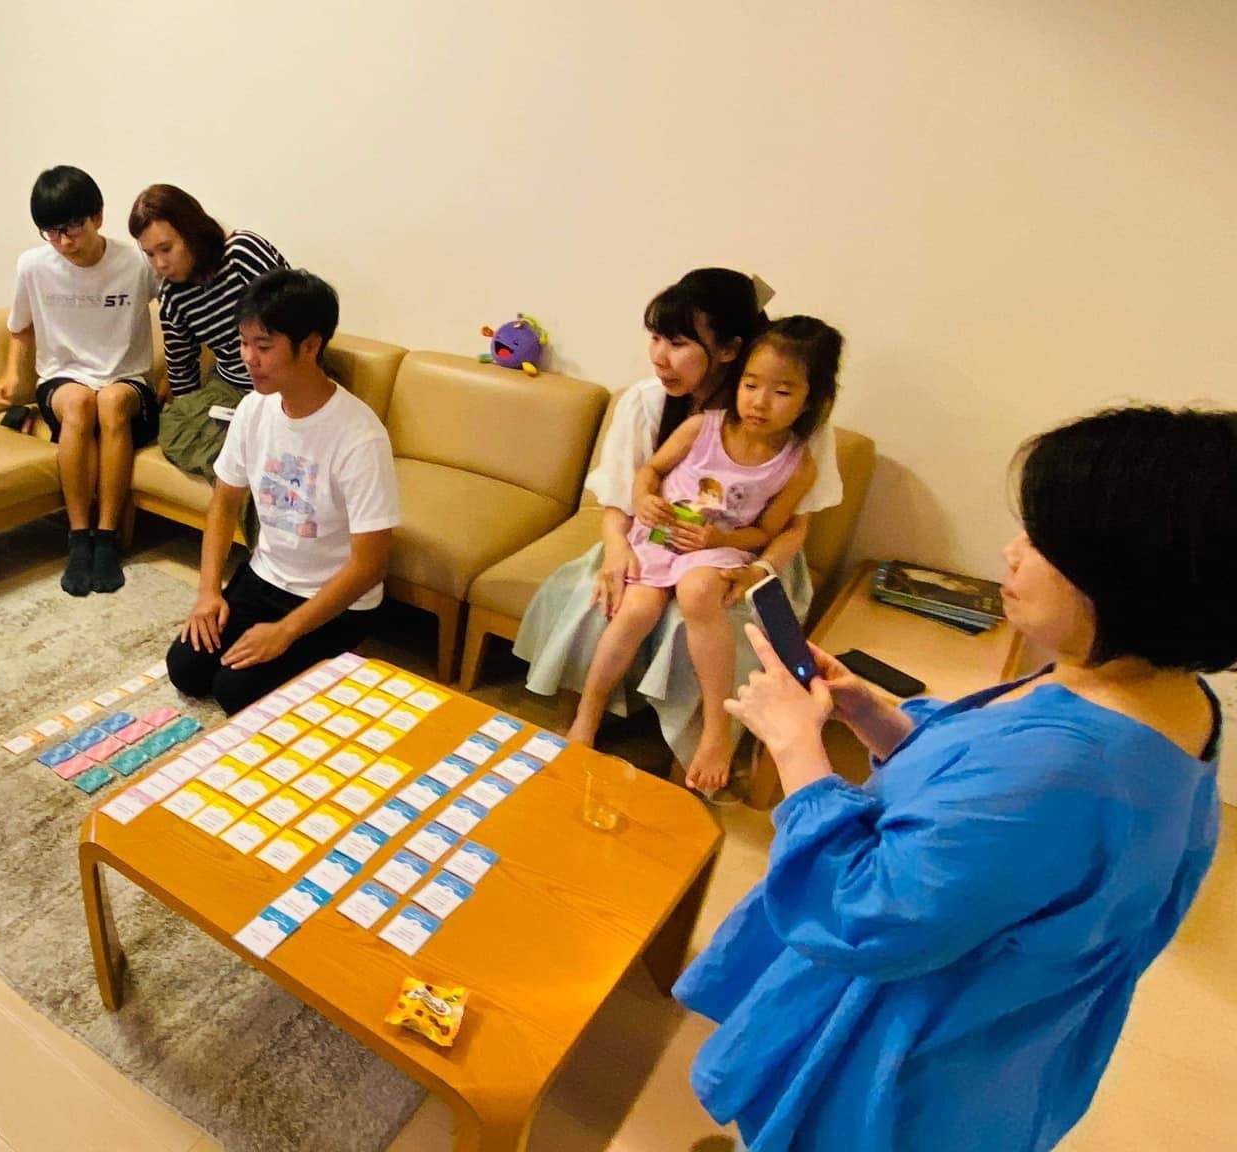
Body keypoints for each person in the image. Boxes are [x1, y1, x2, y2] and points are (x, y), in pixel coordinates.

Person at [678, 404, 1230, 1152]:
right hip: (994, 1027)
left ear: (1129, 578)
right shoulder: (1161, 695)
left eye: (1042, 541)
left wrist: (796, 746)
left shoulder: (1069, 767)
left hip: (914, 1052)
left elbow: (868, 909)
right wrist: (872, 714)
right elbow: (978, 803)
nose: (1010, 552)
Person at [511, 269, 843, 791]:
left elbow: (788, 527)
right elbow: (624, 493)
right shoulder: (653, 404)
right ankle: (584, 717)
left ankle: (704, 744)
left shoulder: (797, 426)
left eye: (680, 343)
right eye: (656, 338)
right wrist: (617, 551)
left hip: (748, 556)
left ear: (730, 349)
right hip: (656, 538)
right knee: (604, 600)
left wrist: (755, 568)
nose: (659, 357)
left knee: (710, 615)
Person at [167, 270, 399, 714]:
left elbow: (370, 565)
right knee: (187, 668)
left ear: (310, 346)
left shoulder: (360, 437)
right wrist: (208, 592)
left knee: (235, 691)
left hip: (337, 600)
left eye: (264, 346)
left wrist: (286, 631)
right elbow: (224, 504)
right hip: (265, 576)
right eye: (243, 343)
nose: (248, 358)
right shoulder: (254, 408)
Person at [0, 166, 160, 597]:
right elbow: (20, 327)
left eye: (72, 227)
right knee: (82, 402)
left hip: (127, 379)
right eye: (51, 232)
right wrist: (12, 373)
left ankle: (107, 537)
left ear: (97, 217)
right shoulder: (33, 266)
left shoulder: (137, 263)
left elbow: (181, 298)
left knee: (110, 401)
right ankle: (79, 536)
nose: (64, 242)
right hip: (63, 379)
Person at [127, 184, 289, 481]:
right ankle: (249, 461)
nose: (160, 264)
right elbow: (182, 371)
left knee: (276, 425)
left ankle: (254, 466)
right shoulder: (172, 295)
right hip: (230, 387)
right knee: (175, 425)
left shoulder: (241, 253)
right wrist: (192, 412)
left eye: (166, 249)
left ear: (191, 232)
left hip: (284, 378)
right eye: (149, 254)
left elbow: (295, 314)